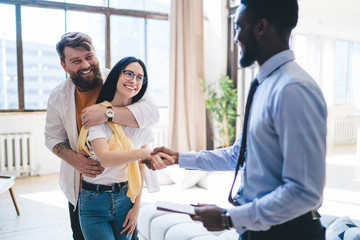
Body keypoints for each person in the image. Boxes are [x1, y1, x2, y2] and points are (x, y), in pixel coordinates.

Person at [149, 0, 327, 239]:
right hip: (258, 230)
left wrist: (228, 219)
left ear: (261, 27)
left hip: (289, 233)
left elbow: (305, 192)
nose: (235, 37)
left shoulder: (293, 89)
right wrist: (179, 158)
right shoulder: (262, 84)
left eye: (238, 27)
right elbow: (239, 155)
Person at [45, 32, 160, 240]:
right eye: (76, 61)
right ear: (65, 66)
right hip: (83, 189)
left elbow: (151, 112)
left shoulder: (119, 78)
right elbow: (51, 138)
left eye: (89, 56)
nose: (86, 64)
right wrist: (75, 160)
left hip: (124, 188)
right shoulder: (58, 96)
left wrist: (107, 113)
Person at [77, 56, 173, 240]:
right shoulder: (97, 114)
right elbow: (105, 158)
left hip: (125, 197)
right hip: (94, 201)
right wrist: (141, 153)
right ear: (116, 76)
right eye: (128, 73)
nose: (133, 81)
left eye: (139, 77)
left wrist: (136, 208)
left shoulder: (141, 120)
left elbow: (140, 167)